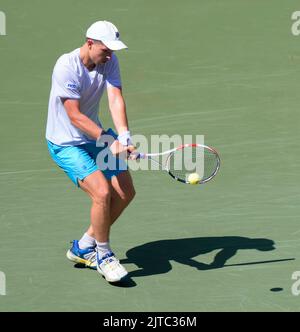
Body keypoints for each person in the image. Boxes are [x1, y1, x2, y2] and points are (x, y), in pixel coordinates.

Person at [46, 21, 136, 283]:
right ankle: (104, 256)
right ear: (89, 43)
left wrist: (124, 136)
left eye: (113, 50)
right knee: (103, 192)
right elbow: (73, 116)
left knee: (126, 191)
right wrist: (109, 141)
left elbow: (115, 98)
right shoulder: (66, 66)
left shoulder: (109, 61)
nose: (109, 55)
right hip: (65, 142)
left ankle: (84, 246)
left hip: (93, 136)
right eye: (106, 49)